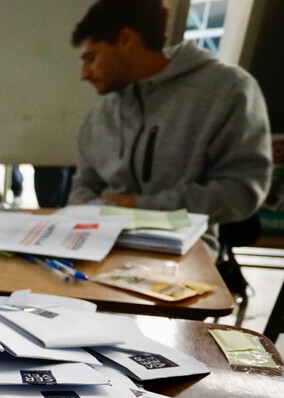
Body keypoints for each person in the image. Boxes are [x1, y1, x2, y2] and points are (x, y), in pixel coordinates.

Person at [68, 0, 272, 240]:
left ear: (126, 40)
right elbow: (85, 182)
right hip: (100, 243)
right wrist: (80, 207)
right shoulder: (101, 114)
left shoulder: (227, 91)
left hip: (183, 249)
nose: (84, 74)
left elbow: (240, 193)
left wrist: (139, 207)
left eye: (91, 58)